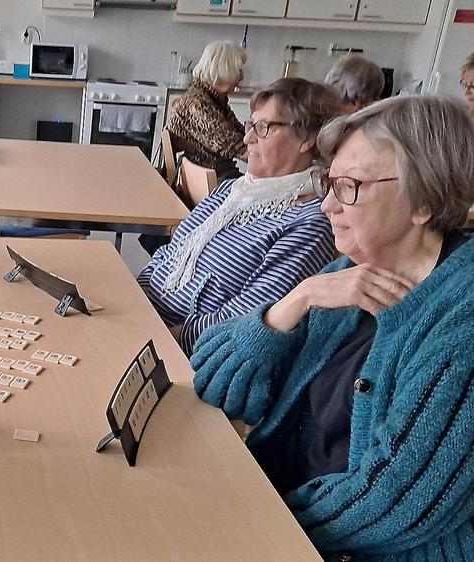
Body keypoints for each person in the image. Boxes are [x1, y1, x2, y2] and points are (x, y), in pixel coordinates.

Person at [191, 96, 474, 560]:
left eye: (349, 187)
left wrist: (247, 520)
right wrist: (296, 301)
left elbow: (395, 502)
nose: (326, 206)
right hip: (275, 510)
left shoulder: (461, 320)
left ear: (424, 200)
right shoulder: (349, 272)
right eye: (329, 183)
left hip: (336, 542)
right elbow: (215, 382)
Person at [138, 78, 341, 355]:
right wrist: (134, 299)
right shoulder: (233, 191)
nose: (248, 138)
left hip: (180, 352)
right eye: (251, 125)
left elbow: (245, 320)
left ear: (307, 138)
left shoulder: (309, 225)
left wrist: (156, 339)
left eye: (263, 128)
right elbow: (170, 253)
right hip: (146, 319)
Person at [164, 40, 248, 180]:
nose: (241, 78)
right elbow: (236, 148)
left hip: (217, 175)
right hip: (212, 180)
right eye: (239, 71)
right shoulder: (197, 104)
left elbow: (241, 135)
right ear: (224, 70)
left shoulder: (214, 99)